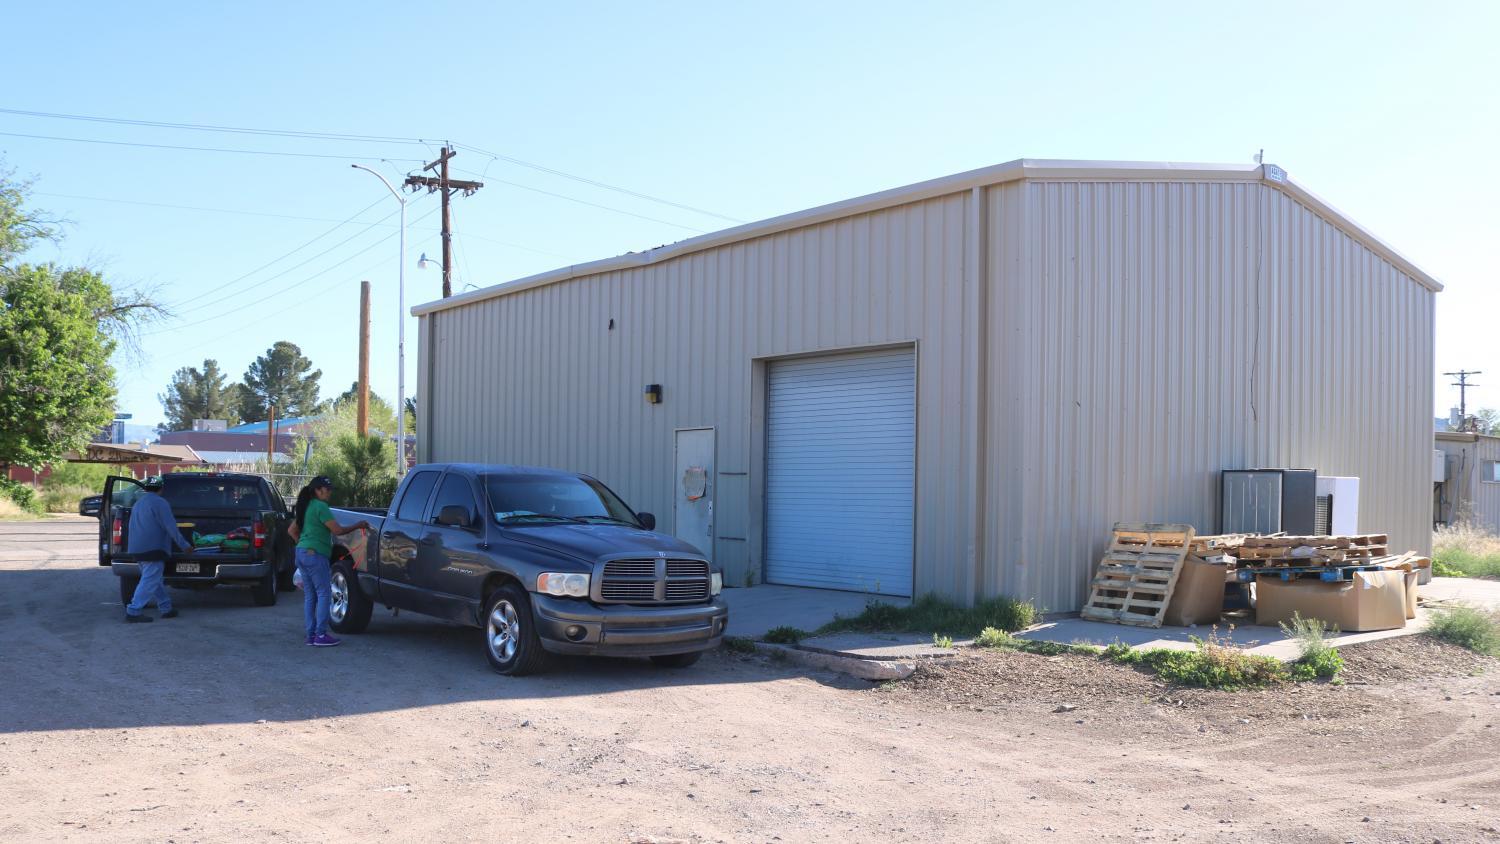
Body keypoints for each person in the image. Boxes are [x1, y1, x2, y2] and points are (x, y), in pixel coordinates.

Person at [287, 477, 369, 647]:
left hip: (301, 553)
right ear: (318, 490)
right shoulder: (320, 507)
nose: (330, 492)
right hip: (316, 555)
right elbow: (338, 531)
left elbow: (291, 530)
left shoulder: (306, 506)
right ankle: (321, 635)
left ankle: (311, 635)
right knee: (324, 593)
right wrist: (358, 525)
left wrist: (302, 545)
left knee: (310, 595)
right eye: (327, 489)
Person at [124, 475, 192, 623]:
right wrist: (185, 546)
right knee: (150, 580)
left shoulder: (138, 504)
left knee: (153, 579)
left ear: (146, 488)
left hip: (137, 548)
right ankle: (133, 611)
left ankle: (166, 608)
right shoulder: (160, 503)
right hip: (153, 549)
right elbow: (171, 527)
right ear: (161, 489)